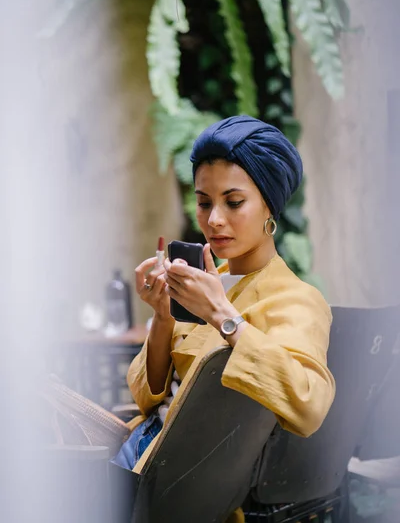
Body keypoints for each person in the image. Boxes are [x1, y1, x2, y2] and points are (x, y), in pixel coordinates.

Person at [113, 115, 336, 523]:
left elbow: (309, 403)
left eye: (233, 202)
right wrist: (162, 318)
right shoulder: (205, 281)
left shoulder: (296, 300)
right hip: (139, 465)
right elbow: (147, 397)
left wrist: (223, 316)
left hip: (193, 495)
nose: (214, 219)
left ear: (269, 204)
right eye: (203, 202)